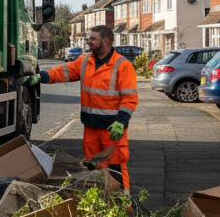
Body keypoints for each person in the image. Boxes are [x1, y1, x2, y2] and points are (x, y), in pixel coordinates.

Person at [23, 24, 138, 193]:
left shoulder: (122, 65)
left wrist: (121, 121)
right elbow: (63, 72)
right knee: (92, 167)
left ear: (105, 41)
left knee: (115, 168)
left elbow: (130, 97)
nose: (88, 42)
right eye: (88, 39)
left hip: (112, 129)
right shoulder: (85, 61)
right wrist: (41, 77)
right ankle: (100, 203)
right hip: (91, 127)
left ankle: (123, 204)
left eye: (93, 39)